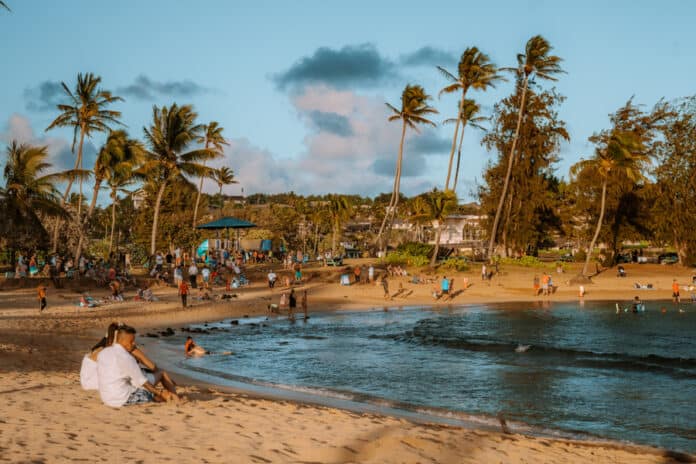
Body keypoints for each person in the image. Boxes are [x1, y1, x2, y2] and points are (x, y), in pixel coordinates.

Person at [96, 325, 177, 407]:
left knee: (145, 389)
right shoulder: (126, 357)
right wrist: (160, 393)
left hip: (106, 397)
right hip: (120, 399)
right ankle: (176, 400)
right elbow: (143, 382)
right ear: (123, 341)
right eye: (131, 341)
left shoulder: (103, 352)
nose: (134, 344)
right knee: (156, 395)